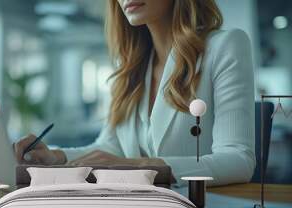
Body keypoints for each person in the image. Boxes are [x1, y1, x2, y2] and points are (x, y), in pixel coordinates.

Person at [14, 0, 255, 187]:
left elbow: (238, 160)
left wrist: (137, 166)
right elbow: (110, 148)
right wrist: (56, 157)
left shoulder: (224, 46)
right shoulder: (130, 65)